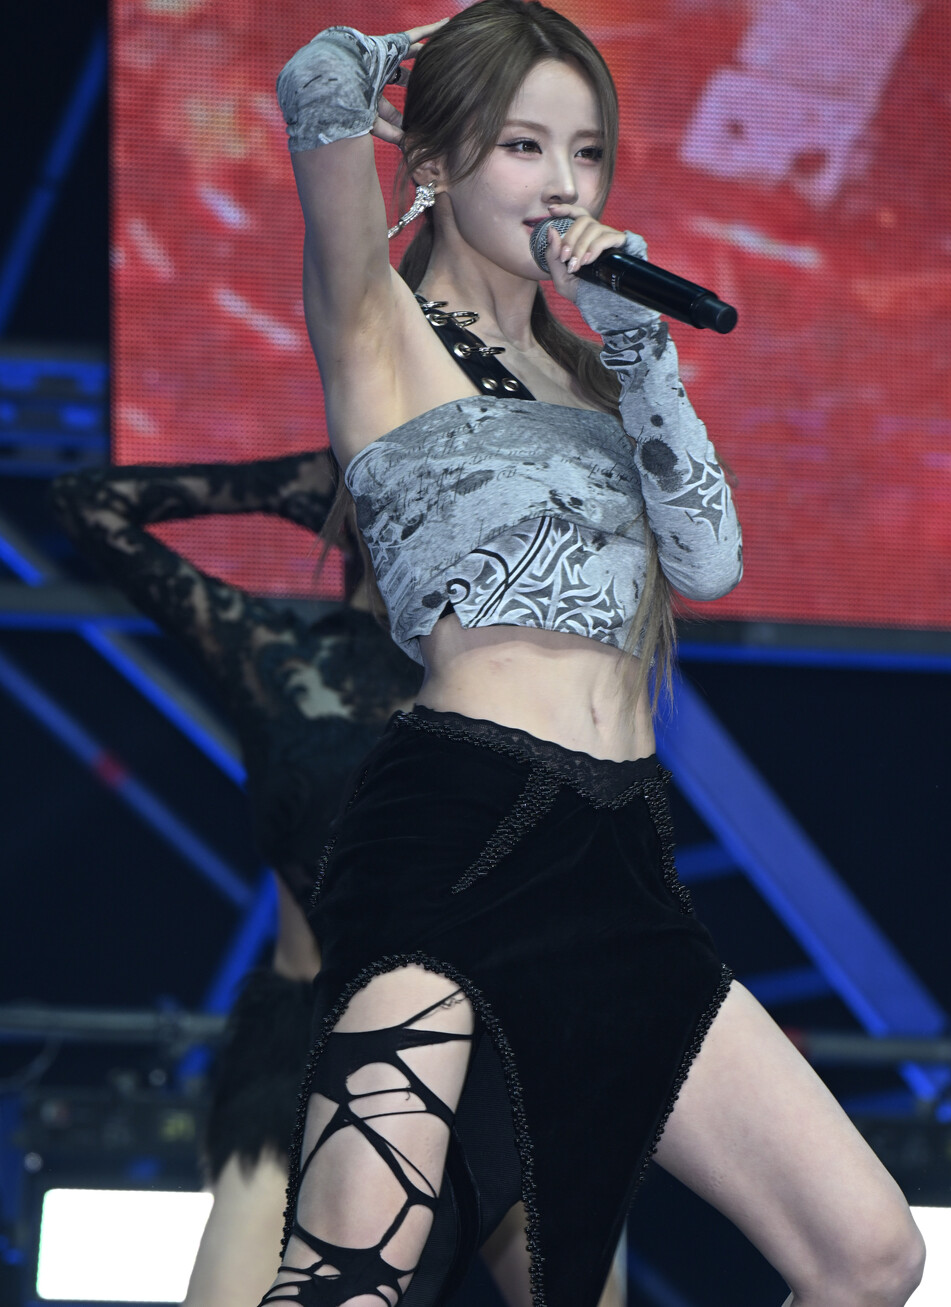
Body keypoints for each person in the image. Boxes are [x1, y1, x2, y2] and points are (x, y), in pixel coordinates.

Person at [264, 0, 926, 1307]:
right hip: (457, 823)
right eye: (522, 145)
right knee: (348, 1271)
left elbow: (709, 561)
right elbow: (312, 76)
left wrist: (635, 336)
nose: (562, 184)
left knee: (866, 1254)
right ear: (436, 162)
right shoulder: (377, 324)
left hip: (617, 850)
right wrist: (427, 55)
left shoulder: (597, 375)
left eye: (584, 152)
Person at [51, 454, 586, 1307]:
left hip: (493, 1044)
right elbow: (86, 501)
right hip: (303, 1053)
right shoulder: (277, 661)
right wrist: (291, 486)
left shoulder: (520, 677)